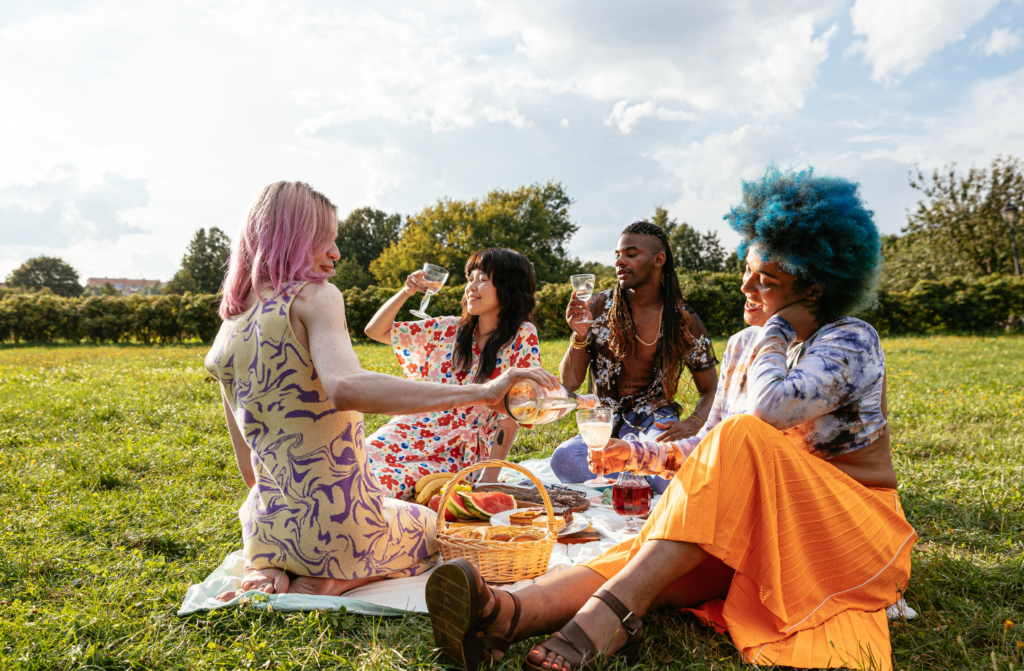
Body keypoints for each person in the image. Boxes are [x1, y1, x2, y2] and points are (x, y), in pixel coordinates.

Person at [425, 167, 917, 671]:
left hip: (845, 529)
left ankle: (607, 619)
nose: (745, 285)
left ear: (814, 288)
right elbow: (711, 445)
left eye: (765, 279)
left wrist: (776, 327)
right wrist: (637, 454)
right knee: (644, 557)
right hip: (765, 525)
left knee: (740, 436)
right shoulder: (745, 345)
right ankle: (508, 614)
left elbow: (766, 411)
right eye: (746, 269)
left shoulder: (849, 340)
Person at [204, 182, 558, 601]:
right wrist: (480, 393)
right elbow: (346, 388)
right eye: (326, 240)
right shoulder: (318, 296)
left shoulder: (229, 327)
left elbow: (250, 473)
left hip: (263, 530)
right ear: (294, 239)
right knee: (438, 527)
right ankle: (339, 578)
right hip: (342, 535)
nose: (336, 253)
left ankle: (274, 569)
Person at [550, 221, 718, 494]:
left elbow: (711, 388)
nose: (620, 261)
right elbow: (569, 383)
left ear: (658, 260)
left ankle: (625, 472)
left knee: (672, 474)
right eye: (617, 254)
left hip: (655, 423)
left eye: (630, 254)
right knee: (564, 459)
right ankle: (636, 476)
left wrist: (692, 423)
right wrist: (579, 335)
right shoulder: (598, 307)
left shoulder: (682, 318)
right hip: (606, 423)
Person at [362, 248, 542, 499]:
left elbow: (512, 413)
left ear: (508, 286)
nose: (471, 286)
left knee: (378, 486)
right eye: (470, 279)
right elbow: (376, 331)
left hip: (458, 450)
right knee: (350, 466)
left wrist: (489, 476)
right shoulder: (446, 329)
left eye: (483, 279)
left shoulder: (522, 335)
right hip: (412, 428)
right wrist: (408, 290)